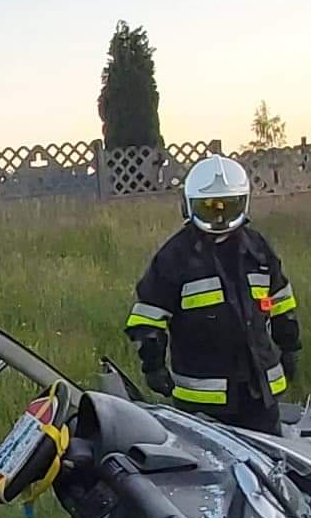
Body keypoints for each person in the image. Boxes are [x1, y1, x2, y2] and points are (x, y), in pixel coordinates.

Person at [123, 154, 300, 428]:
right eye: (209, 208)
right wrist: (153, 365)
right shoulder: (175, 256)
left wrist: (290, 346)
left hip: (259, 393)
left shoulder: (258, 250)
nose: (219, 216)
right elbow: (148, 317)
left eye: (227, 207)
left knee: (268, 453)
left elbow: (281, 302)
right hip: (203, 401)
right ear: (188, 205)